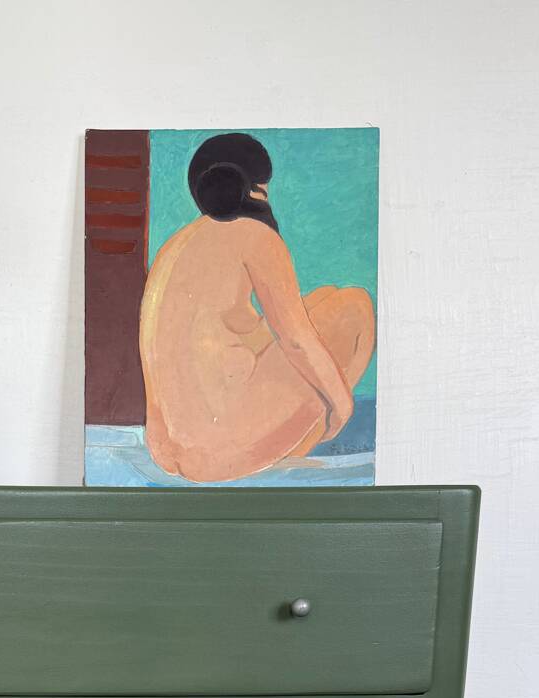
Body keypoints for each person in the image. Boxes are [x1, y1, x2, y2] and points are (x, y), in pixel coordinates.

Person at [139, 133, 375, 483]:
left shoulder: (177, 244)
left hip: (167, 448)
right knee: (354, 306)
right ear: (253, 188)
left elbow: (232, 327)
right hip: (221, 449)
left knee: (324, 297)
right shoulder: (256, 235)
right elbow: (295, 340)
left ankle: (278, 441)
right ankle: (301, 442)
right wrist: (342, 403)